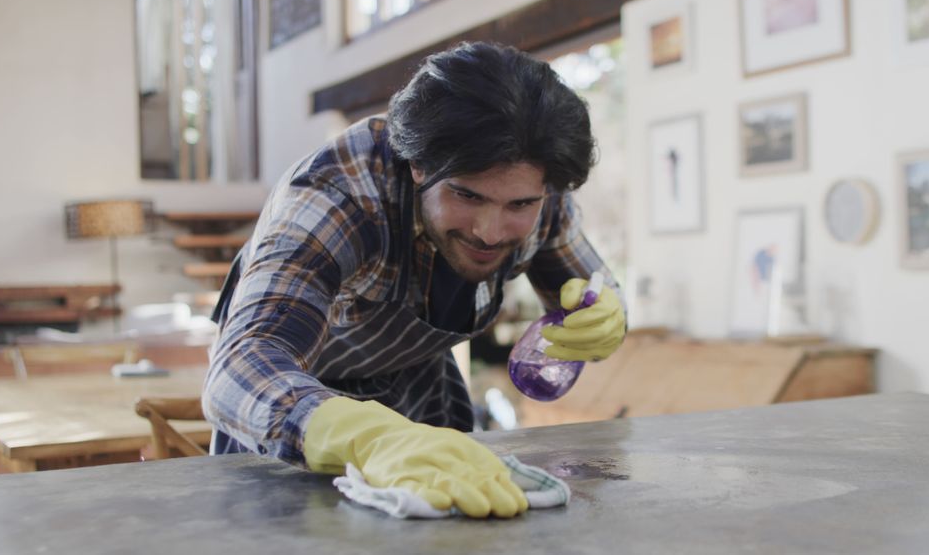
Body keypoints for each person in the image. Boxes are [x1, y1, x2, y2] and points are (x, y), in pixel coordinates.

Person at [203, 41, 626, 519]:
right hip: (294, 409)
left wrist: (605, 314)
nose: (489, 231)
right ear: (419, 165)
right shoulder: (338, 193)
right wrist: (365, 436)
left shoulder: (545, 194)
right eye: (466, 194)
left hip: (419, 388)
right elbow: (239, 366)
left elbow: (596, 290)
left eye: (519, 206)